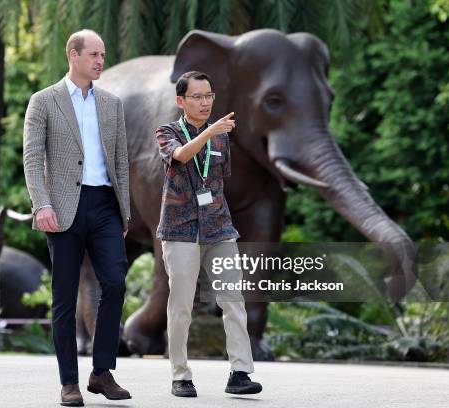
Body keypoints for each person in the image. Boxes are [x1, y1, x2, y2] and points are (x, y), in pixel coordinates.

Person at [23, 29, 131, 407]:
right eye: (94, 55)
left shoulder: (112, 103)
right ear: (73, 55)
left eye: (103, 55)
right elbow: (34, 159)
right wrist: (42, 204)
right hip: (63, 207)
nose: (101, 61)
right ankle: (69, 382)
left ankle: (101, 372)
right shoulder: (43, 101)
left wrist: (124, 211)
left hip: (104, 205)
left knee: (115, 283)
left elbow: (120, 161)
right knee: (64, 297)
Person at [155, 71, 263, 398]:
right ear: (181, 101)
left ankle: (240, 372)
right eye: (197, 97)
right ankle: (180, 375)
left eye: (209, 96)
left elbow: (217, 181)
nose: (205, 102)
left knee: (233, 299)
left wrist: (215, 133)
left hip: (219, 227)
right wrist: (210, 132)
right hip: (180, 230)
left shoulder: (221, 137)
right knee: (182, 305)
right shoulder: (167, 131)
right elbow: (181, 156)